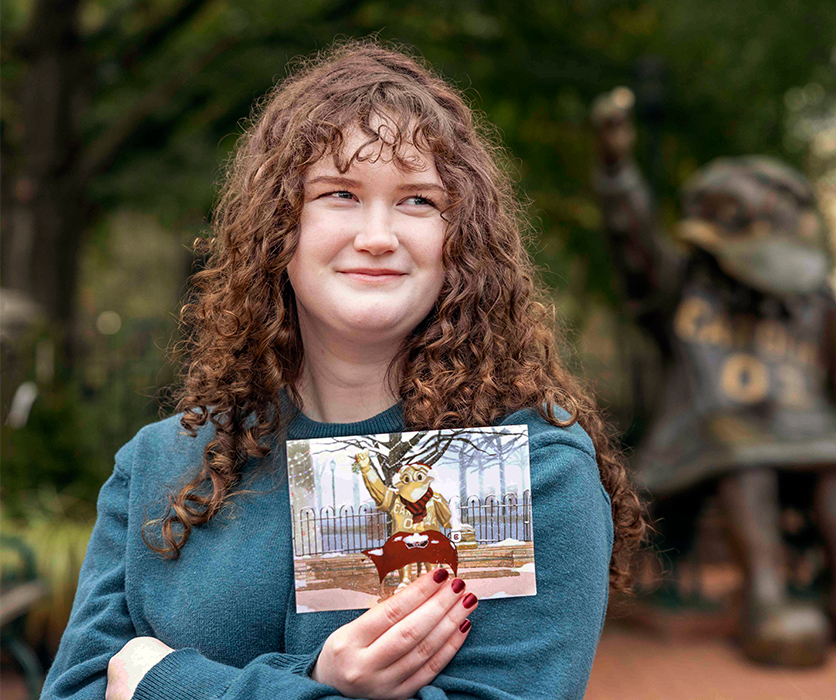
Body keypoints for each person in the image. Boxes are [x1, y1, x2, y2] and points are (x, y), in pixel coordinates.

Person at [41, 42, 645, 700]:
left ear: (462, 239)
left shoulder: (529, 469)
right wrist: (321, 682)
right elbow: (75, 689)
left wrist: (163, 682)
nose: (378, 235)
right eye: (340, 194)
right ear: (279, 226)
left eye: (418, 200)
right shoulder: (160, 463)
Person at [591, 87, 836, 667]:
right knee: (744, 452)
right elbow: (635, 242)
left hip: (800, 442)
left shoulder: (811, 299)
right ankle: (765, 597)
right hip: (701, 449)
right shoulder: (683, 288)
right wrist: (616, 168)